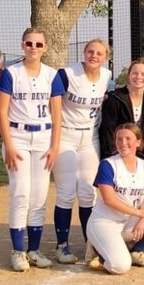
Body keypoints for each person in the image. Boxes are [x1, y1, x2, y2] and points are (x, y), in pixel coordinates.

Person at [0, 27, 64, 272]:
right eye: (29, 43)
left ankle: (33, 250)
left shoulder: (52, 75)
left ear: (44, 48)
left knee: (39, 196)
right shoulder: (11, 73)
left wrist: (55, 146)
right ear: (22, 45)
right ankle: (18, 251)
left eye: (38, 44)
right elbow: (2, 111)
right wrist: (10, 146)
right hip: (18, 137)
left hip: (44, 138)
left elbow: (57, 114)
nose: (33, 48)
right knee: (21, 193)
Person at [51, 39, 112, 263]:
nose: (94, 56)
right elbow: (53, 102)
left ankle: (90, 243)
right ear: (84, 53)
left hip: (90, 137)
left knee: (88, 192)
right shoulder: (67, 74)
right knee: (66, 192)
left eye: (99, 53)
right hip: (66, 135)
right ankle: (62, 245)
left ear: (106, 57)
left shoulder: (107, 76)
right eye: (90, 51)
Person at [86, 123, 144, 275]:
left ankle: (136, 251)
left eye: (128, 138)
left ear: (138, 142)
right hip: (105, 222)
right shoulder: (108, 165)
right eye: (119, 139)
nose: (123, 143)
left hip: (129, 222)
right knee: (120, 267)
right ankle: (96, 248)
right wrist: (140, 214)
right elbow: (109, 200)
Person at [99, 58, 144, 161]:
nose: (139, 77)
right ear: (129, 75)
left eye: (143, 74)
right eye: (135, 73)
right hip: (117, 154)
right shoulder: (115, 99)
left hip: (140, 155)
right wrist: (113, 156)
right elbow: (107, 132)